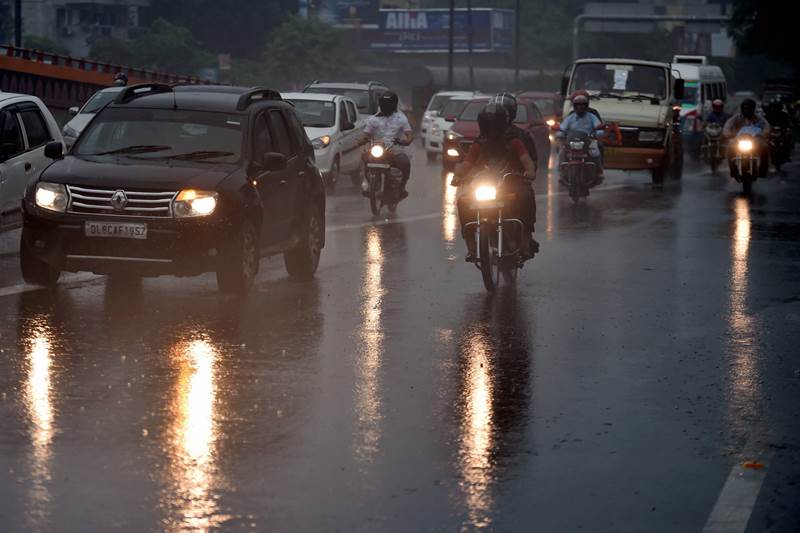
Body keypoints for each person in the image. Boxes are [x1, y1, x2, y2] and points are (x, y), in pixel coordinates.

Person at [452, 104, 538, 260]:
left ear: (502, 124)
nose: (491, 128)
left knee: (526, 195)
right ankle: (471, 246)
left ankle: (526, 238)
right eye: (488, 124)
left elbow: (526, 159)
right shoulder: (479, 143)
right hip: (486, 181)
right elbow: (467, 163)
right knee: (463, 201)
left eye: (494, 124)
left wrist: (530, 171)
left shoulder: (514, 141)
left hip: (511, 180)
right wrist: (458, 176)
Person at [361, 91, 414, 198]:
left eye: (388, 103)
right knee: (365, 158)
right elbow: (366, 134)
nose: (386, 106)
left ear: (394, 104)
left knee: (405, 163)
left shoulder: (401, 118)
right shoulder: (373, 119)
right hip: (377, 149)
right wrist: (362, 140)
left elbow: (409, 134)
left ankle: (402, 187)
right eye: (384, 103)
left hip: (395, 150)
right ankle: (370, 185)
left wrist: (406, 141)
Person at [557, 92, 605, 181]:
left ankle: (599, 171)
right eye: (578, 105)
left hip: (589, 141)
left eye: (582, 105)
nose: (580, 107)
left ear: (586, 105)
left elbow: (598, 127)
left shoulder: (592, 116)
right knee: (561, 152)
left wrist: (599, 132)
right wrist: (560, 134)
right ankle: (561, 172)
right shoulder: (570, 117)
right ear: (574, 106)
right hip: (572, 142)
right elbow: (562, 128)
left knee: (596, 152)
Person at [723, 98, 771, 178]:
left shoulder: (758, 118)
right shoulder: (736, 118)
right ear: (742, 108)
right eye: (745, 108)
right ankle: (733, 169)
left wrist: (763, 134)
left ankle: (763, 170)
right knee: (729, 147)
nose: (746, 110)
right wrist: (729, 134)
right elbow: (727, 126)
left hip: (755, 140)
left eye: (748, 108)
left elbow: (767, 126)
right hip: (738, 140)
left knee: (765, 147)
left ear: (753, 108)